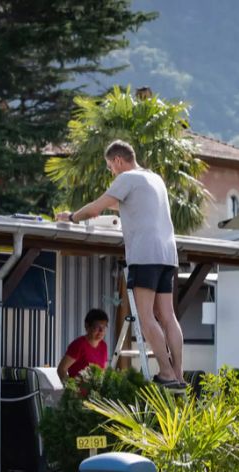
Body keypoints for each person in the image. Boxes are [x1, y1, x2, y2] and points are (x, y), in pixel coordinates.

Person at [56, 140, 185, 388]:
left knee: (146, 316)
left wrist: (71, 216)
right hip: (168, 255)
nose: (111, 172)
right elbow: (122, 206)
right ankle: (178, 374)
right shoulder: (154, 179)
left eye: (109, 167)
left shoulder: (126, 178)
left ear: (118, 160)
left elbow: (95, 209)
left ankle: (166, 373)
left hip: (145, 254)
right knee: (168, 316)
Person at [57, 308, 110, 383]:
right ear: (87, 326)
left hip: (96, 392)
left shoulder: (104, 346)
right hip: (78, 392)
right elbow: (61, 369)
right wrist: (71, 389)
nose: (101, 331)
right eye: (97, 327)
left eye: (104, 327)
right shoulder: (78, 345)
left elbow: (103, 370)